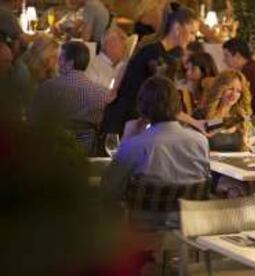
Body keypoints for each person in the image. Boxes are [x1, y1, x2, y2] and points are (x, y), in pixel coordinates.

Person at [102, 76, 210, 201]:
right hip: (190, 218)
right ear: (177, 105)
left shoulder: (135, 145)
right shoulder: (200, 141)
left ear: (142, 108)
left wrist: (127, 138)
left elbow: (108, 187)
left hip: (143, 219)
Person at [102, 6, 198, 134]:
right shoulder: (157, 57)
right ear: (177, 29)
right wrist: (196, 123)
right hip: (124, 124)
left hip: (131, 121)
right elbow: (166, 103)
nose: (193, 38)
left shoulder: (160, 52)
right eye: (192, 32)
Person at [31, 41, 107, 155]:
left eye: (60, 58)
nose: (58, 62)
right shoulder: (101, 93)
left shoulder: (48, 88)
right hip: (86, 155)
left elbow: (34, 121)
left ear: (70, 63)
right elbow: (102, 127)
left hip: (51, 153)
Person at [202, 70, 252, 152]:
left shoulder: (240, 117)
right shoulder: (201, 114)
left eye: (238, 91)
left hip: (235, 163)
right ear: (220, 88)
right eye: (230, 89)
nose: (233, 94)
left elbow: (246, 149)